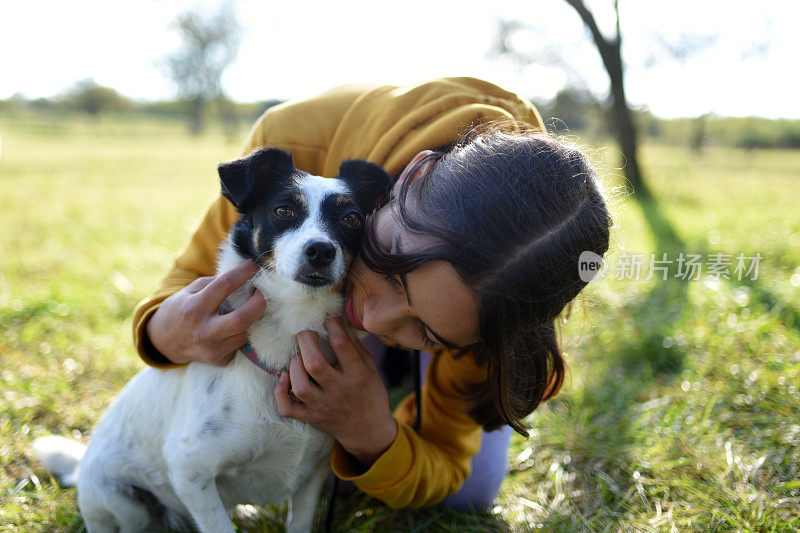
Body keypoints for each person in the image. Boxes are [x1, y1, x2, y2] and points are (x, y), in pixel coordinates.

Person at [132, 77, 613, 510]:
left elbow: (446, 462)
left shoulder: (499, 290)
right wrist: (165, 331)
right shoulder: (292, 136)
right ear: (414, 177)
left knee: (469, 492)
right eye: (394, 269)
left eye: (427, 332)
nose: (376, 322)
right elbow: (187, 282)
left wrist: (372, 436)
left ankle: (401, 345)